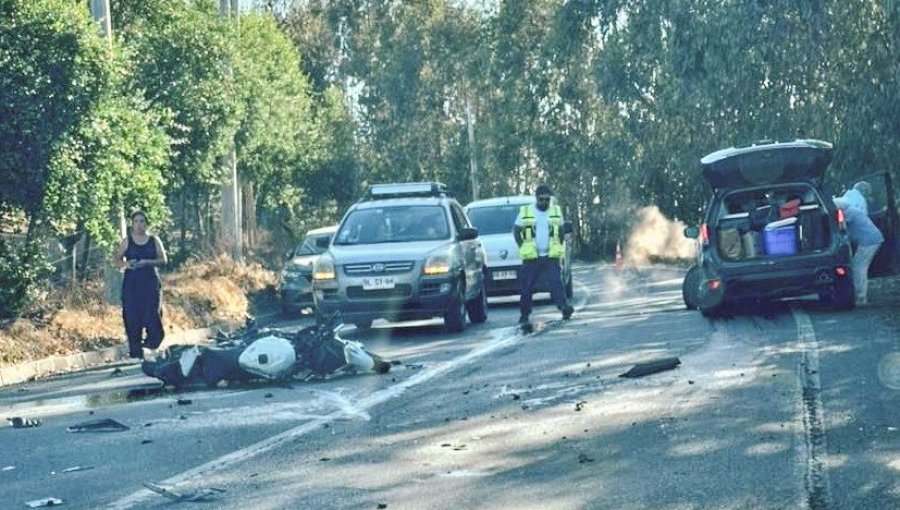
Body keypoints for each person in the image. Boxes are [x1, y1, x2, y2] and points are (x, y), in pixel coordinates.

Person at [513, 184, 573, 326]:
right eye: (542, 200)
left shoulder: (556, 211)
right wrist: (523, 246)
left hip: (550, 256)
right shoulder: (526, 211)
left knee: (556, 283)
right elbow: (516, 231)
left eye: (547, 199)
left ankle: (564, 308)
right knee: (527, 287)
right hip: (532, 257)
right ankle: (524, 315)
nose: (544, 202)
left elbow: (561, 231)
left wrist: (559, 245)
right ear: (536, 198)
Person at [114, 211, 168, 359]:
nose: (139, 224)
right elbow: (117, 260)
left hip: (150, 283)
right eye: (136, 221)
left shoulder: (154, 240)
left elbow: (163, 260)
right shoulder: (127, 241)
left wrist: (146, 262)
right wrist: (127, 264)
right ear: (132, 224)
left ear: (147, 223)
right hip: (132, 284)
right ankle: (136, 352)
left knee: (152, 316)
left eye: (142, 221)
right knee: (132, 317)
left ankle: (149, 345)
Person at [835, 202, 884, 306]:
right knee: (859, 266)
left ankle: (861, 298)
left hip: (869, 241)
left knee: (859, 267)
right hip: (873, 239)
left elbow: (841, 227)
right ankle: (860, 296)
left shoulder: (848, 213)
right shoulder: (853, 210)